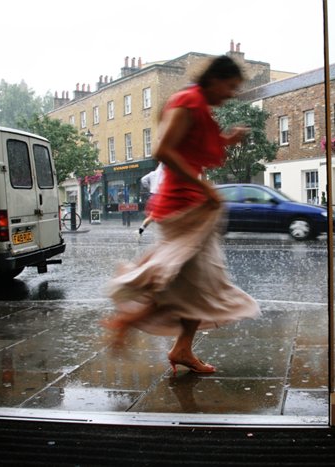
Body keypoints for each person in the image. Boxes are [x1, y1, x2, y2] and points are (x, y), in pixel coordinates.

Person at [104, 55, 260, 374]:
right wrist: (202, 188)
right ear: (215, 79)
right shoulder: (188, 101)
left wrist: (228, 139)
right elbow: (163, 151)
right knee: (188, 284)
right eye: (230, 87)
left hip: (191, 204)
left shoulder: (199, 106)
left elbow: (196, 147)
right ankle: (127, 320)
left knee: (198, 286)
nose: (231, 94)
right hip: (182, 205)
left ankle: (182, 348)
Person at [137, 162, 165, 238]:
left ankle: (140, 230)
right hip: (161, 196)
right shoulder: (165, 174)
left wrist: (149, 188)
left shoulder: (152, 173)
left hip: (153, 196)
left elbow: (143, 180)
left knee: (152, 215)